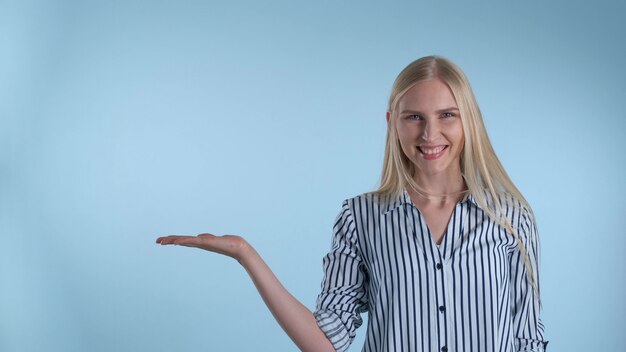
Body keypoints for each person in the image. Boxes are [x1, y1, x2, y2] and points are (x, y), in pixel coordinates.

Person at [156, 55, 548, 352]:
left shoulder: (510, 216)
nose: (430, 133)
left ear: (470, 121)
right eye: (414, 117)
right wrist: (246, 255)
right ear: (392, 122)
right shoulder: (361, 217)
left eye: (447, 115)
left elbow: (529, 338)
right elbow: (328, 341)